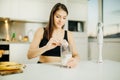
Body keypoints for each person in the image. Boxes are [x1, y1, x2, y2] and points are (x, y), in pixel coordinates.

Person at [27, 3, 80, 68]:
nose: (61, 20)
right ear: (52, 16)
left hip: (61, 68)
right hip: (42, 68)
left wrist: (75, 60)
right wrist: (46, 47)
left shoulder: (69, 34)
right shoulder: (41, 31)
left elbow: (76, 55)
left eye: (64, 18)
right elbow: (29, 55)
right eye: (58, 17)